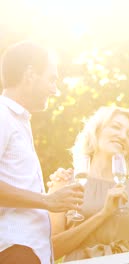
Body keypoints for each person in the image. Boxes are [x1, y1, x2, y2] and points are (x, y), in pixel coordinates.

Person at [0, 41, 84, 264]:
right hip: (15, 250)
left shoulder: (19, 121)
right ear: (30, 75)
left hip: (31, 253)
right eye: (51, 79)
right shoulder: (2, 115)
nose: (55, 89)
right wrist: (47, 200)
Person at [47, 106, 129, 261]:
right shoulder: (64, 182)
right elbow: (51, 250)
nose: (123, 136)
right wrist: (104, 213)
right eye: (116, 127)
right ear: (96, 131)